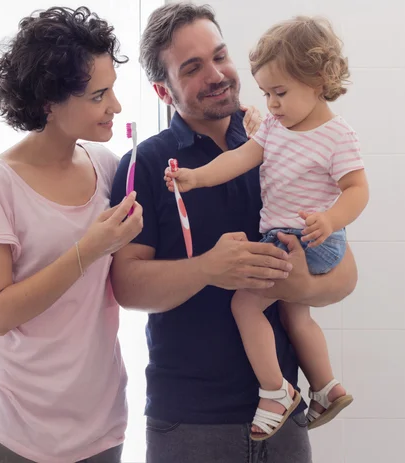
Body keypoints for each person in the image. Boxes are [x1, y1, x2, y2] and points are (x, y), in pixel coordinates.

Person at [109, 3, 358, 463]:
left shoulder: (279, 141)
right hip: (190, 421)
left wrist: (302, 285)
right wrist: (207, 268)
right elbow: (126, 287)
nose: (217, 74)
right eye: (193, 68)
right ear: (164, 91)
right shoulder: (146, 164)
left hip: (286, 417)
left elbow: (345, 274)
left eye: (220, 55)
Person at [0, 7, 143, 463]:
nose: (115, 106)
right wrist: (90, 248)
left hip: (99, 425)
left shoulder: (109, 166)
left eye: (112, 89)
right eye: (99, 95)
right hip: (11, 428)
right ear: (48, 102)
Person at [164, 15, 368, 440]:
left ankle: (275, 392)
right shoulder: (275, 128)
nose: (272, 105)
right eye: (266, 94)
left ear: (318, 80)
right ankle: (327, 386)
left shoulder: (336, 135)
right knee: (295, 312)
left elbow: (357, 190)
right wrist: (197, 177)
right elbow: (238, 160)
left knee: (245, 304)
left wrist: (330, 219)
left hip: (305, 238)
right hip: (299, 237)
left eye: (280, 93)